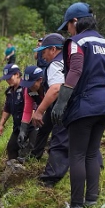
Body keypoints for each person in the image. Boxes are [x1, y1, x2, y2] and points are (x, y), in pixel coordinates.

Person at [54, 2, 105, 208]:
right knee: (91, 153)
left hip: (84, 104)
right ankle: (91, 201)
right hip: (104, 104)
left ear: (75, 22)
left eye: (68, 27)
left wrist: (62, 101)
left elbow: (76, 70)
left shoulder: (77, 42)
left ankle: (76, 207)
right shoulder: (104, 42)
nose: (68, 31)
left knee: (77, 155)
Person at [30, 33, 70, 184]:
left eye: (44, 51)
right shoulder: (66, 59)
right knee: (43, 127)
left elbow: (55, 89)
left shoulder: (55, 64)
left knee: (59, 140)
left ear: (53, 49)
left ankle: (50, 178)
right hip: (60, 104)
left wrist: (39, 111)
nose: (42, 55)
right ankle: (35, 155)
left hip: (62, 105)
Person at [0, 63, 30, 161]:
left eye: (9, 78)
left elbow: (32, 108)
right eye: (6, 79)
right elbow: (7, 108)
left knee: (27, 150)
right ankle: (12, 170)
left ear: (17, 74)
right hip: (17, 127)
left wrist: (25, 128)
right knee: (11, 148)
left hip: (29, 125)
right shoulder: (9, 92)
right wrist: (1, 124)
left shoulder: (26, 88)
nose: (8, 81)